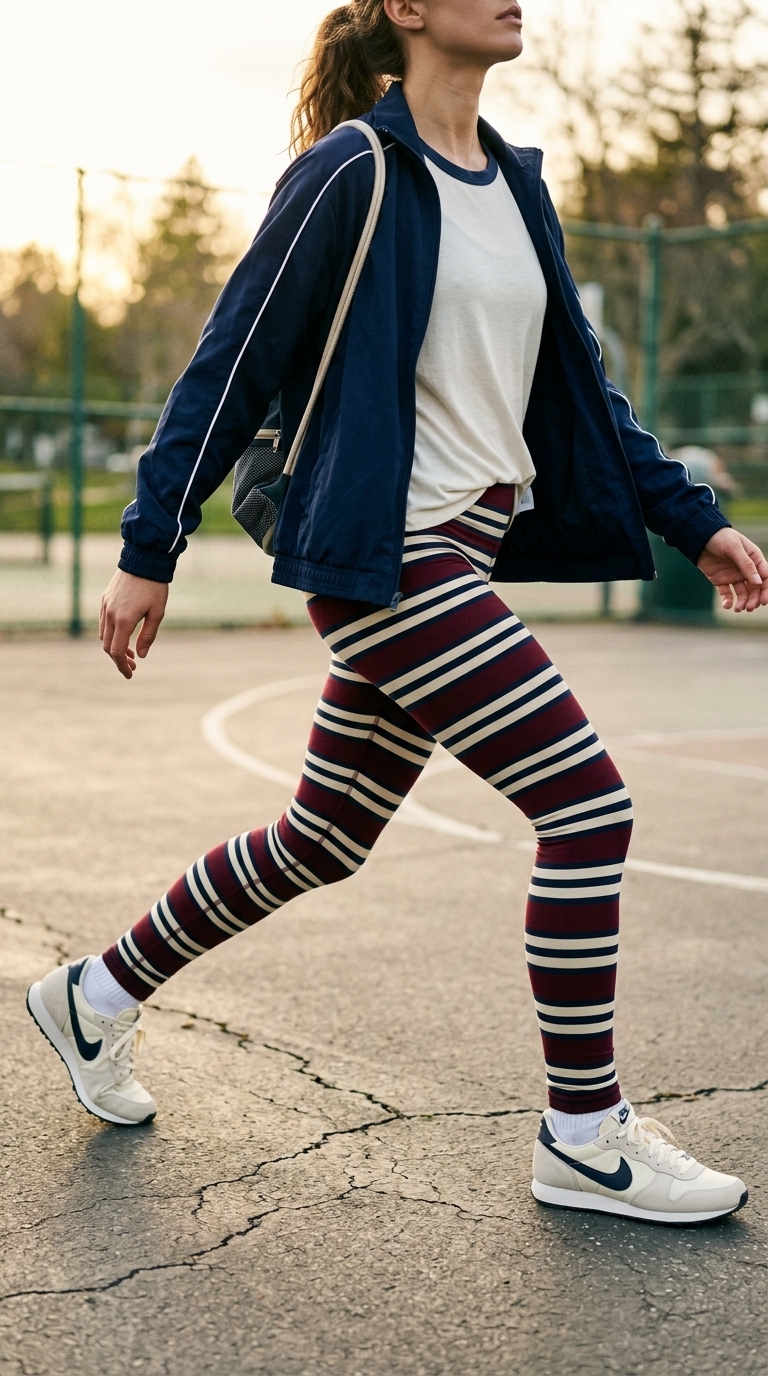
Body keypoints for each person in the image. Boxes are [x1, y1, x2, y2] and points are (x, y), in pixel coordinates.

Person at [28, 0, 768, 1224]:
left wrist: (692, 517)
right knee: (588, 803)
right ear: (407, 11)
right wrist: (148, 544)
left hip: (463, 548)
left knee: (326, 833)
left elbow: (583, 386)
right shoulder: (353, 173)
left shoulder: (518, 188)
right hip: (390, 554)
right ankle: (582, 1134)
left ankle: (95, 992)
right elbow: (232, 358)